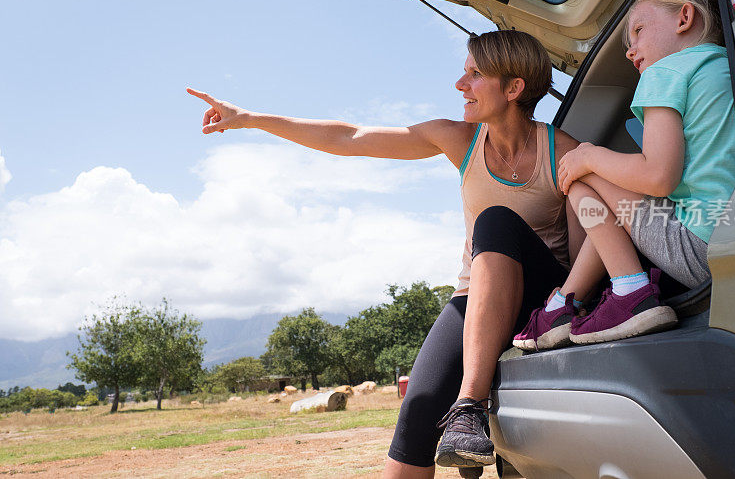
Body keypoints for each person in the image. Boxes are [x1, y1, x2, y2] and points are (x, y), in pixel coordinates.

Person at [187, 30, 585, 477]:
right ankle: (459, 414)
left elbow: (581, 257)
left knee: (493, 221)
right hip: (474, 298)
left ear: (513, 89)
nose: (460, 84)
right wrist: (249, 118)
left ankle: (469, 405)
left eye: (475, 74)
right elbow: (351, 137)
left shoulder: (562, 151)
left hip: (542, 297)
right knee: (417, 407)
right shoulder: (460, 140)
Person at [513, 0, 735, 351]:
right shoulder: (726, 67)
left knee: (579, 174)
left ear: (684, 18)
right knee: (599, 176)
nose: (631, 50)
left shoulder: (665, 73)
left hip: (702, 249)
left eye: (637, 30)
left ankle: (629, 292)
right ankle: (563, 304)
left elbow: (657, 176)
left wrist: (590, 156)